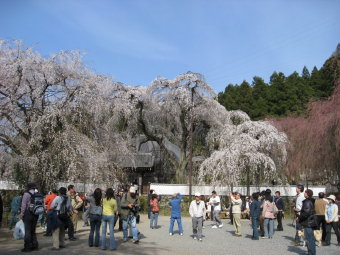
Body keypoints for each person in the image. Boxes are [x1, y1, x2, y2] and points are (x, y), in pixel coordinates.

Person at [20, 183, 39, 252]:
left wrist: (22, 214)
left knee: (27, 231)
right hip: (36, 214)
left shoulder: (26, 194)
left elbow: (23, 205)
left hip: (28, 214)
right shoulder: (37, 194)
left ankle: (27, 247)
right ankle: (35, 245)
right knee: (33, 230)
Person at [297, 189, 316, 255]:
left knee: (309, 238)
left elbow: (306, 213)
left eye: (305, 192)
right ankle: (311, 252)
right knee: (310, 238)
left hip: (308, 222)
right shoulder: (311, 201)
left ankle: (311, 253)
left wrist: (299, 217)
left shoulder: (307, 202)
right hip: (310, 221)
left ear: (307, 194)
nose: (304, 193)